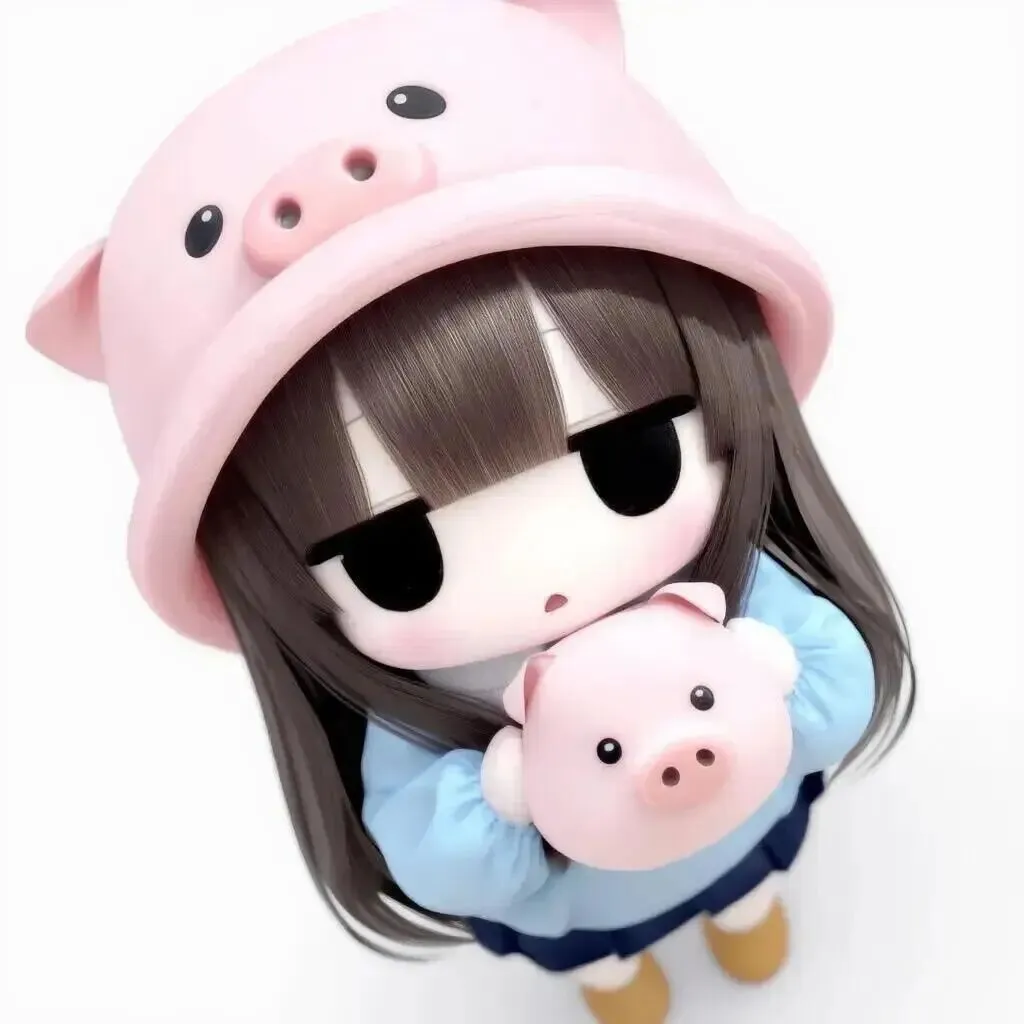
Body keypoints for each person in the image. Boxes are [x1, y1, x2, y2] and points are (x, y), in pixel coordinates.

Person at [25, 3, 914, 1022]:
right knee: (606, 963)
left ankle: (744, 910)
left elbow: (834, 685)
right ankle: (620, 980)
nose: (541, 567)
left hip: (734, 824)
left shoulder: (726, 593)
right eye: (398, 558)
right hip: (586, 906)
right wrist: (511, 794)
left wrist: (771, 670)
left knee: (746, 883)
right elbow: (430, 852)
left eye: (628, 460)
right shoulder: (424, 705)